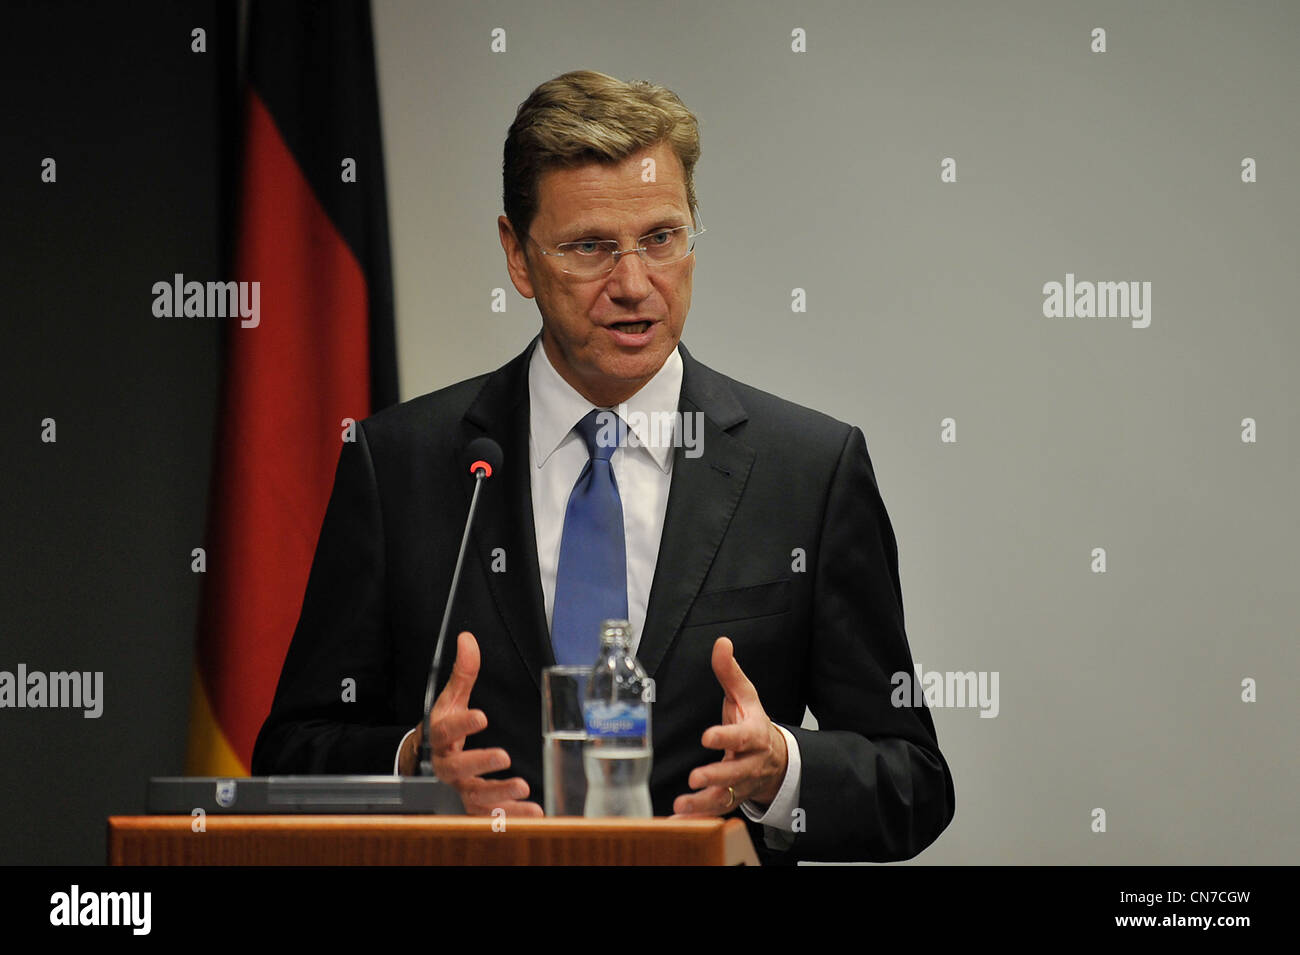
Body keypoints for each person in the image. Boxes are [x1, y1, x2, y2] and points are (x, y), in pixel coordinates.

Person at [252, 69, 954, 864]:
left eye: (661, 238)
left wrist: (780, 769)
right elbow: (288, 755)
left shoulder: (809, 471)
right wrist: (414, 762)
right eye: (590, 247)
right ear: (518, 256)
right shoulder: (404, 464)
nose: (632, 284)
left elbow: (914, 781)